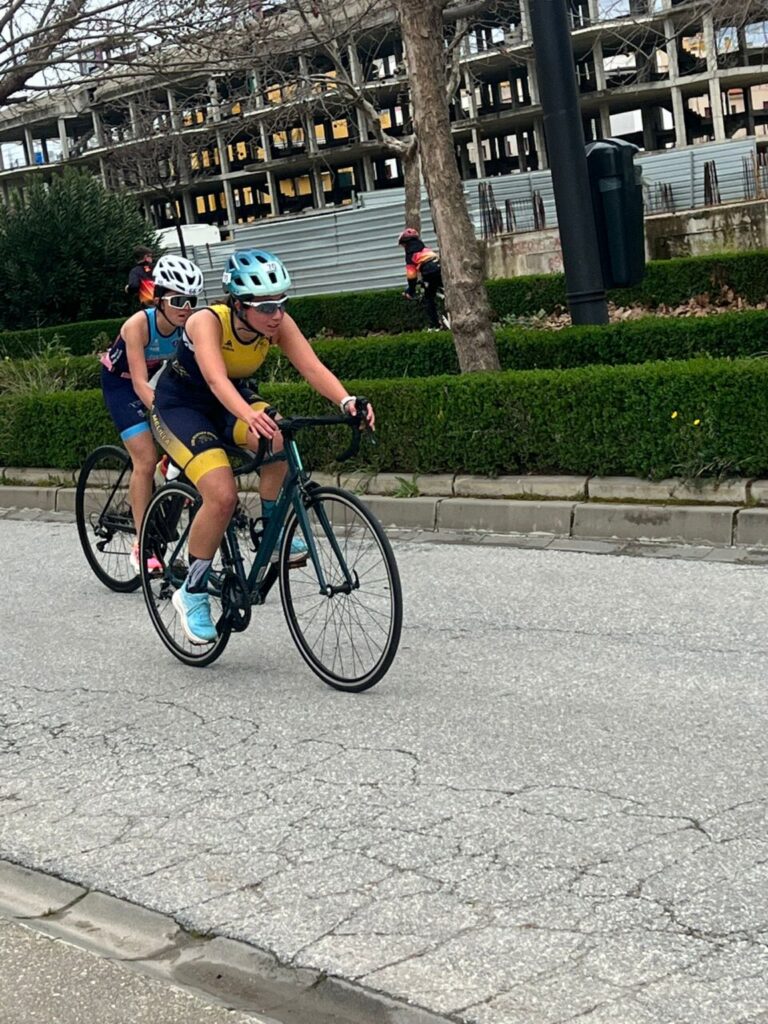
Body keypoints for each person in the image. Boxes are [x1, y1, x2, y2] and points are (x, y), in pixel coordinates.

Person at [149, 248, 375, 646]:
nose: (276, 314)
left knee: (277, 436)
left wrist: (347, 401)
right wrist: (248, 414)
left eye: (282, 303)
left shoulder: (277, 325)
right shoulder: (207, 321)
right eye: (266, 305)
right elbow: (216, 381)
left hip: (229, 401)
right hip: (182, 407)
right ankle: (193, 590)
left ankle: (269, 531)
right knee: (220, 495)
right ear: (237, 304)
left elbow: (312, 367)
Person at [101, 254, 205, 572]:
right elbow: (139, 383)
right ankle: (141, 543)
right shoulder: (138, 326)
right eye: (177, 300)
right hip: (122, 383)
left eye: (191, 300)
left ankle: (169, 467)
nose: (186, 308)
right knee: (144, 459)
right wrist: (166, 414)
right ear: (159, 299)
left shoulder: (190, 326)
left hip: (157, 374)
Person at [398, 227, 444, 330]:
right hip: (439, 267)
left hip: (429, 272)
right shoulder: (425, 249)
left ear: (406, 243)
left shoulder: (410, 254)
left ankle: (435, 326)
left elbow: (411, 276)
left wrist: (411, 290)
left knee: (429, 297)